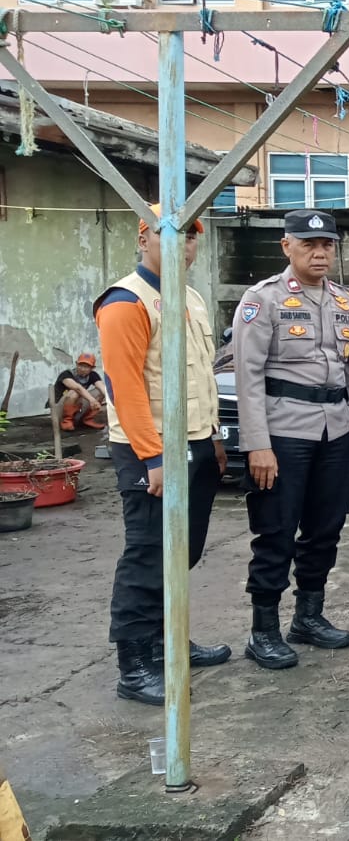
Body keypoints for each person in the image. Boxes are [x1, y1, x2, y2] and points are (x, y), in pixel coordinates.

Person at [233, 209, 349, 670]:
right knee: (276, 530)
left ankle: (308, 617)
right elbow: (248, 375)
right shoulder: (263, 300)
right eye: (308, 244)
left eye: (327, 246)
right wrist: (257, 443)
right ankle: (264, 631)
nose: (319, 253)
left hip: (335, 431)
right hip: (282, 431)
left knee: (326, 527)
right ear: (286, 246)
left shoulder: (345, 302)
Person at [94, 207, 229, 705]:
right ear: (145, 239)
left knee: (184, 551)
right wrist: (154, 457)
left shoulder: (189, 298)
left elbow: (200, 378)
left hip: (194, 441)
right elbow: (124, 387)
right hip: (149, 449)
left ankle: (168, 641)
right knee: (149, 553)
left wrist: (213, 437)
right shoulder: (127, 301)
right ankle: (134, 665)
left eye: (192, 239)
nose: (185, 247)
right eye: (173, 237)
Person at [54, 353, 107, 430]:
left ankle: (88, 419)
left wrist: (114, 402)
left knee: (100, 392)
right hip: (59, 409)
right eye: (81, 365)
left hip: (77, 405)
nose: (82, 369)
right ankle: (66, 420)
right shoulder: (66, 374)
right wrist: (92, 400)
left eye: (86, 367)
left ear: (92, 368)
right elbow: (77, 388)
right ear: (76, 364)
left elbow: (102, 387)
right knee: (75, 392)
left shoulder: (92, 375)